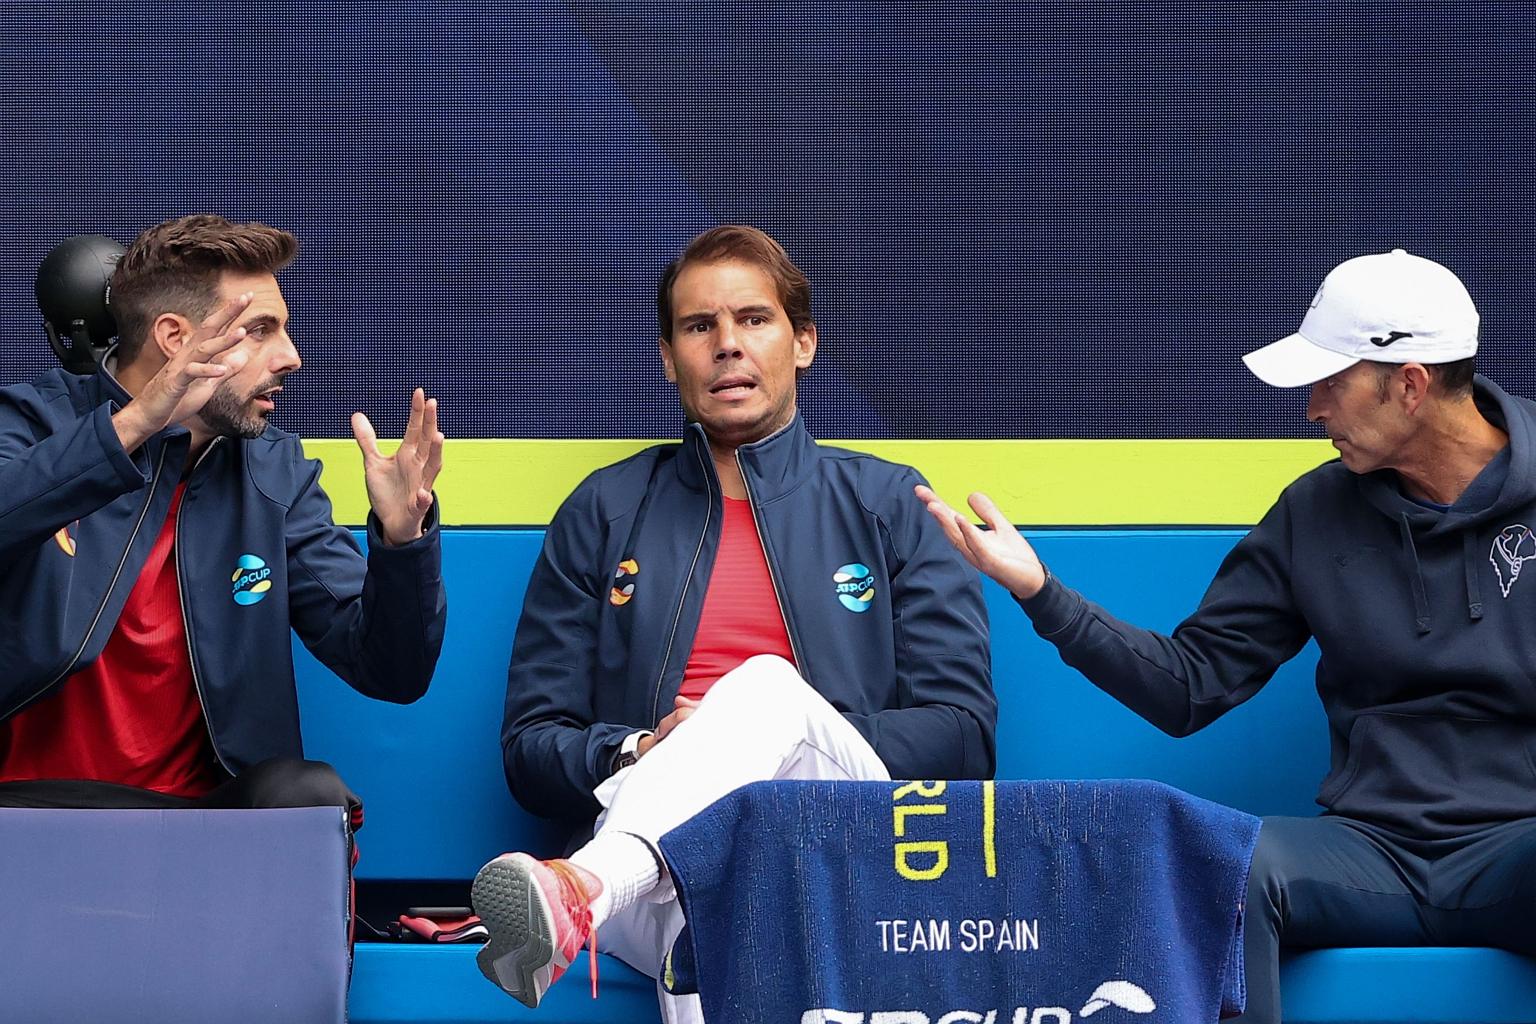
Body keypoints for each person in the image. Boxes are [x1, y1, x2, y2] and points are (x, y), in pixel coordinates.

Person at [918, 248, 1536, 1023]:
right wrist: (1041, 593)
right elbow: (1186, 685)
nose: (1313, 409)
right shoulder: (1313, 512)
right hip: (1371, 853)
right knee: (1222, 868)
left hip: (1521, 844)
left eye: (1330, 383)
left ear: (1408, 386)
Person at [475, 225, 996, 1022]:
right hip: (664, 847)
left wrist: (762, 740)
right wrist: (644, 748)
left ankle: (581, 886)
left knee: (762, 695)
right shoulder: (605, 509)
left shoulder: (889, 504)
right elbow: (530, 748)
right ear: (667, 355)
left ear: (804, 344)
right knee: (718, 884)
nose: (727, 346)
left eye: (753, 320)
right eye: (698, 326)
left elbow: (964, 736)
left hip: (846, 836)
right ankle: (607, 880)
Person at [0, 213, 447, 828]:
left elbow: (391, 670)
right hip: (28, 810)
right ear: (174, 338)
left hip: (206, 825)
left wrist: (402, 543)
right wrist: (133, 426)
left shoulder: (274, 471)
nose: (290, 357)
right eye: (259, 330)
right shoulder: (28, 425)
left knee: (309, 793)